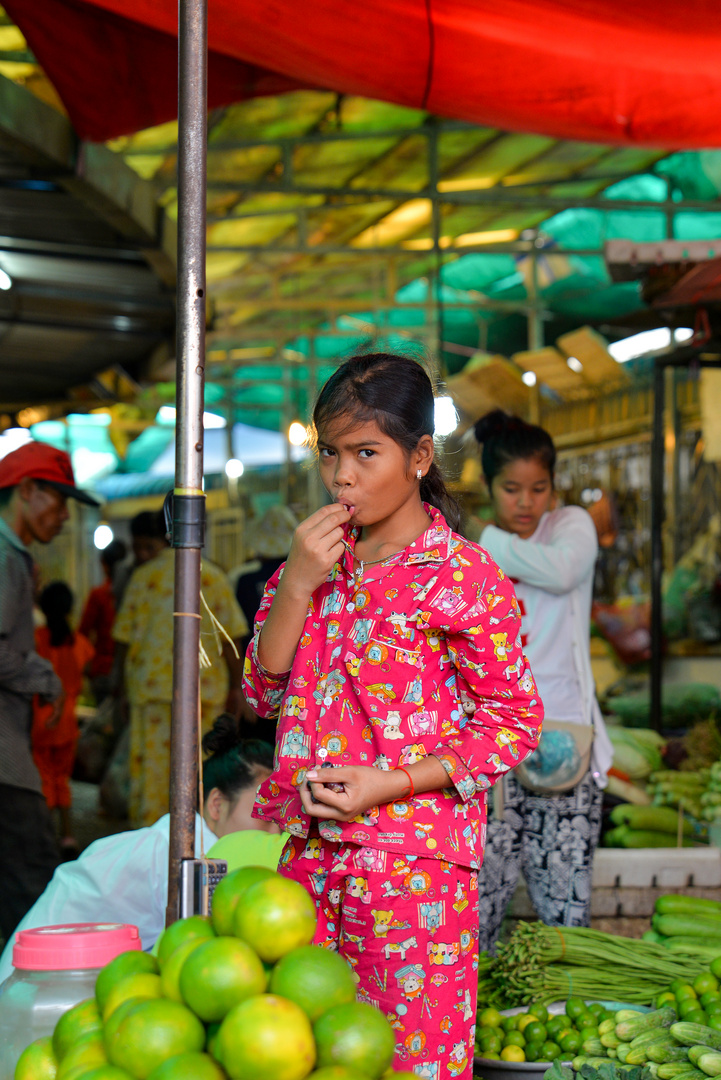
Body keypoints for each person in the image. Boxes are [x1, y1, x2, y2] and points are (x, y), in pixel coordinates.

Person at [243, 352, 543, 1080]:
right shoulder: (310, 566)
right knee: (305, 1058)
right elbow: (261, 695)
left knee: (409, 1062)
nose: (342, 476)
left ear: (417, 456)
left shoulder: (464, 576)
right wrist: (296, 588)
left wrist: (393, 783)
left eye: (364, 453)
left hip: (413, 878)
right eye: (330, 455)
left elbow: (511, 721)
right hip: (308, 863)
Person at [472, 410, 613, 952]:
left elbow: (562, 571)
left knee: (563, 904)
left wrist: (482, 537)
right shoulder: (469, 556)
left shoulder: (570, 526)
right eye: (510, 489)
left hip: (562, 741)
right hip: (490, 741)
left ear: (554, 487)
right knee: (480, 901)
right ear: (490, 487)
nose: (525, 502)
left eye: (538, 488)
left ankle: (562, 1005)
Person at [0, 717, 284, 983]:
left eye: (283, 819)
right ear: (217, 805)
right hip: (42, 986)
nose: (276, 832)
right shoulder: (181, 855)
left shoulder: (187, 842)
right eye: (266, 814)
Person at [0, 441, 99, 942]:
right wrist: (44, 678)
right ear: (28, 491)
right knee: (31, 884)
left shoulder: (14, 556)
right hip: (4, 760)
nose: (63, 518)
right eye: (58, 503)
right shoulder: (3, 555)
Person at [113, 533, 252, 827]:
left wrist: (119, 692)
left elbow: (123, 640)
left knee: (153, 780)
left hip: (150, 693)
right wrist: (238, 687)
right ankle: (198, 844)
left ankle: (152, 849)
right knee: (200, 776)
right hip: (204, 695)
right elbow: (232, 640)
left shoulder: (142, 577)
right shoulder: (213, 577)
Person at [32, 581, 95, 852]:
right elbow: (88, 671)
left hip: (39, 721)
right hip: (67, 721)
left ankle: (45, 836)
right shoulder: (79, 642)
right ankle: (68, 836)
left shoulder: (36, 639)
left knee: (43, 779)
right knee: (62, 780)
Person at [234, 504, 298, 743]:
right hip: (298, 683)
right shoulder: (308, 574)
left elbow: (240, 636)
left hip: (259, 679)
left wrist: (242, 690)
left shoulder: (244, 580)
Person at [79, 539, 126, 704]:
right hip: (129, 669)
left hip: (102, 669)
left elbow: (83, 632)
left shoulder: (99, 595)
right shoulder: (136, 594)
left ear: (104, 565)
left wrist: (88, 662)